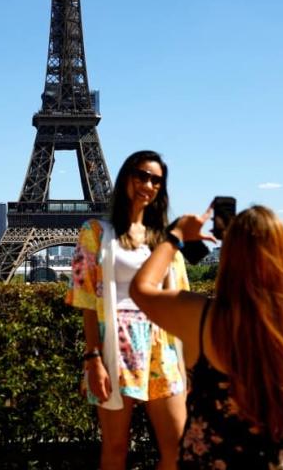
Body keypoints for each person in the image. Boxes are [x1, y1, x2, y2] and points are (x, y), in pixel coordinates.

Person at [131, 205, 283, 469]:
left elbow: (140, 289)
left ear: (229, 255)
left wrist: (175, 235)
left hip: (214, 458)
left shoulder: (200, 316)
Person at [67, 150, 189, 470]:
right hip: (116, 343)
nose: (147, 184)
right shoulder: (96, 232)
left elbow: (179, 300)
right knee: (116, 448)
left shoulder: (164, 240)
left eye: (155, 180)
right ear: (125, 178)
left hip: (161, 344)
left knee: (178, 449)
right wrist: (92, 358)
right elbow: (86, 301)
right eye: (140, 175)